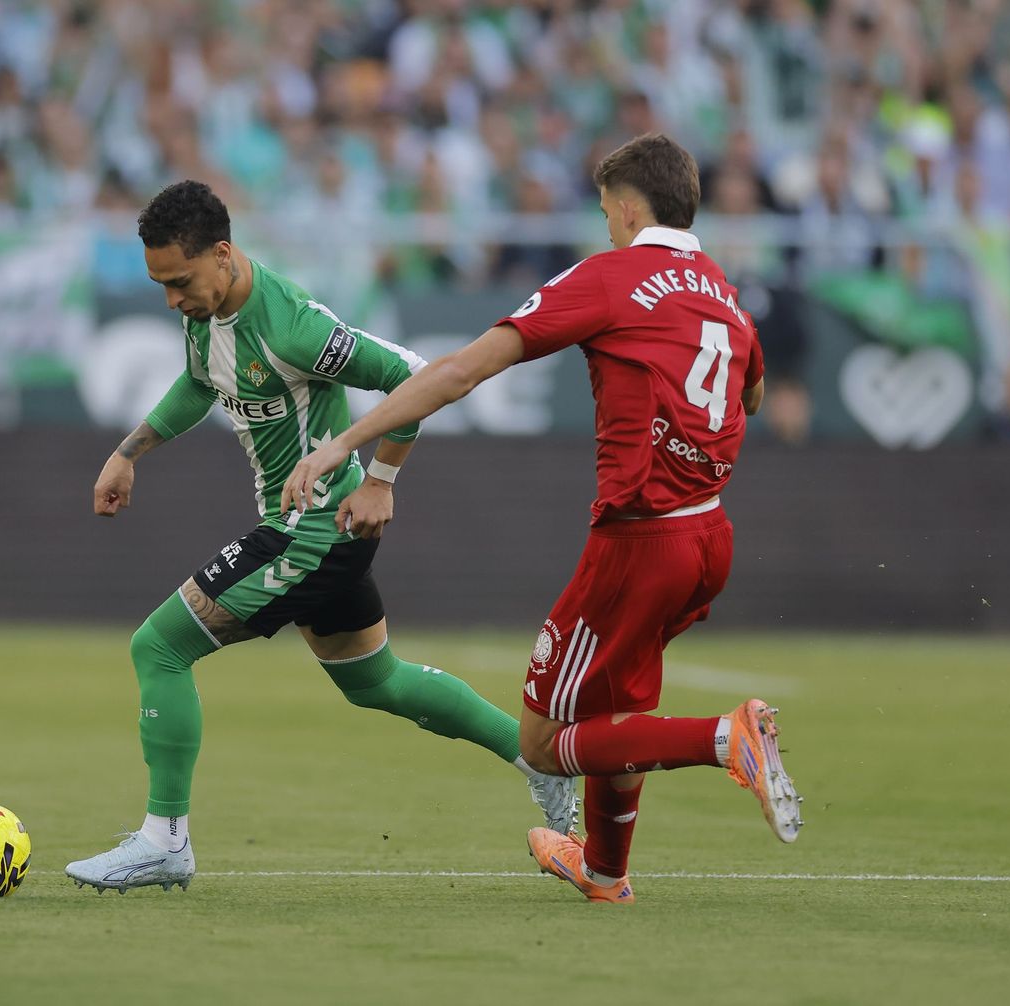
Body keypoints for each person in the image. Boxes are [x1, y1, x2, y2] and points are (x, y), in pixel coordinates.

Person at [282, 134, 803, 905]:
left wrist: (346, 446)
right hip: (708, 535)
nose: (604, 224)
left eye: (604, 211)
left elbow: (460, 369)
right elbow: (752, 394)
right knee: (618, 712)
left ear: (627, 208)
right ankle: (604, 873)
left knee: (545, 744)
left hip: (639, 541)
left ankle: (726, 739)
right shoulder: (724, 292)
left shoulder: (613, 276)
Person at [65, 181, 576, 894]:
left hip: (313, 532)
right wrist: (130, 451)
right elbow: (197, 380)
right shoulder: (206, 311)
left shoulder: (293, 328)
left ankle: (164, 841)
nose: (172, 300)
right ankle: (542, 764)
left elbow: (411, 376)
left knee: (159, 647)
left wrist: (382, 480)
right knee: (377, 681)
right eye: (160, 286)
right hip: (309, 528)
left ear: (223, 254)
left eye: (179, 282)